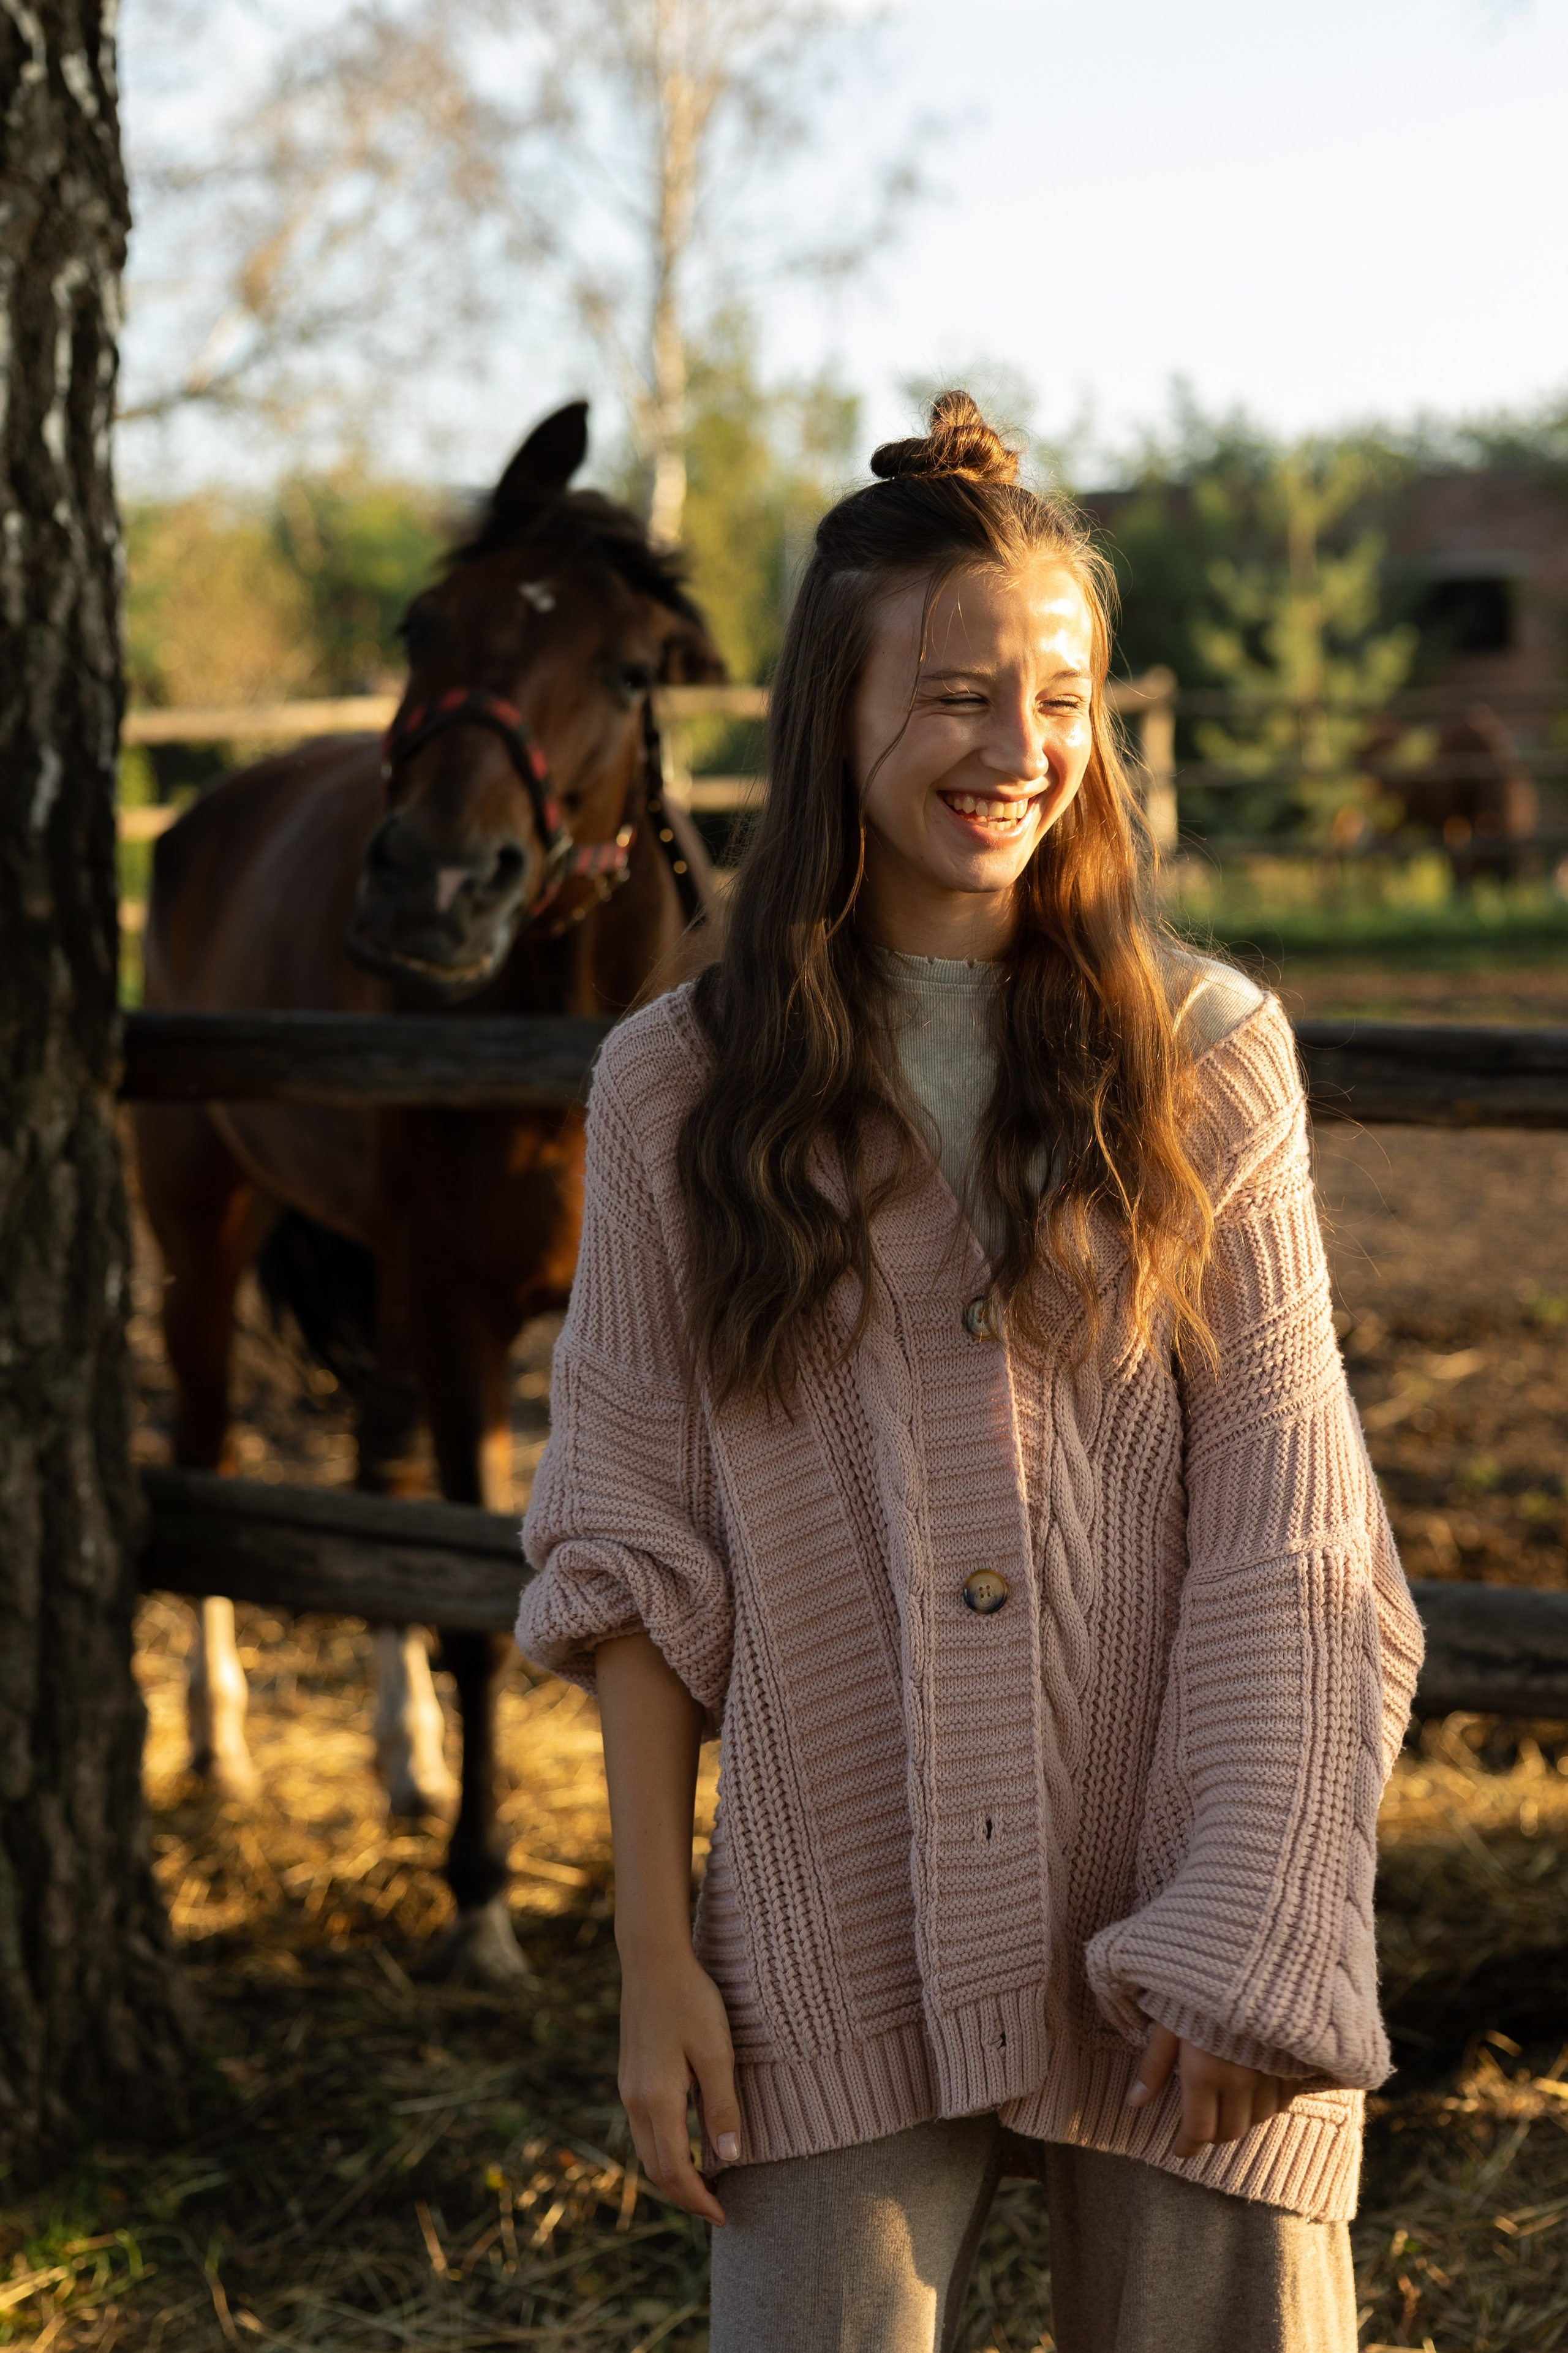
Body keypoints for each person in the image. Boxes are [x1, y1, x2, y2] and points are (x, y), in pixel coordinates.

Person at [516, 391, 1423, 2353]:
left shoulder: (1207, 1053)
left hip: (1191, 1896)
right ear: (830, 716)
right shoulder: (674, 1083)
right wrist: (655, 1957)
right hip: (824, 1919)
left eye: (1061, 697)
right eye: (955, 695)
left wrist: (1262, 1925)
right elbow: (629, 1549)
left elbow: (1296, 1532)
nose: (1020, 750)